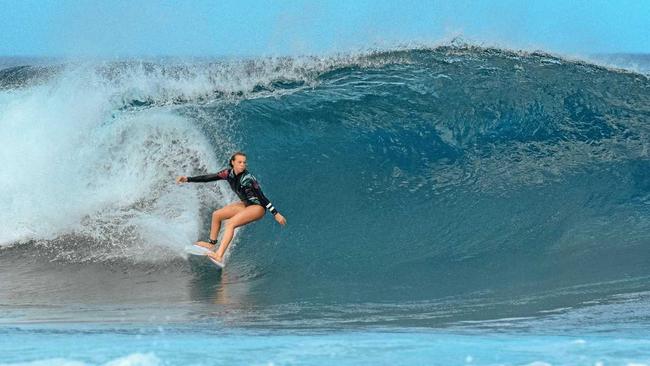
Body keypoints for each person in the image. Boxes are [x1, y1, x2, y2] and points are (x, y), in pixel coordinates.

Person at [176, 152, 286, 266]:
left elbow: (262, 197)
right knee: (217, 215)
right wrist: (188, 179)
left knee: (231, 223)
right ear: (232, 162)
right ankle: (211, 244)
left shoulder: (248, 178)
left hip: (257, 207)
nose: (243, 164)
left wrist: (275, 213)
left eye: (244, 162)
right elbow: (207, 178)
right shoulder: (227, 174)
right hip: (246, 204)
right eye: (239, 162)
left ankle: (219, 255)